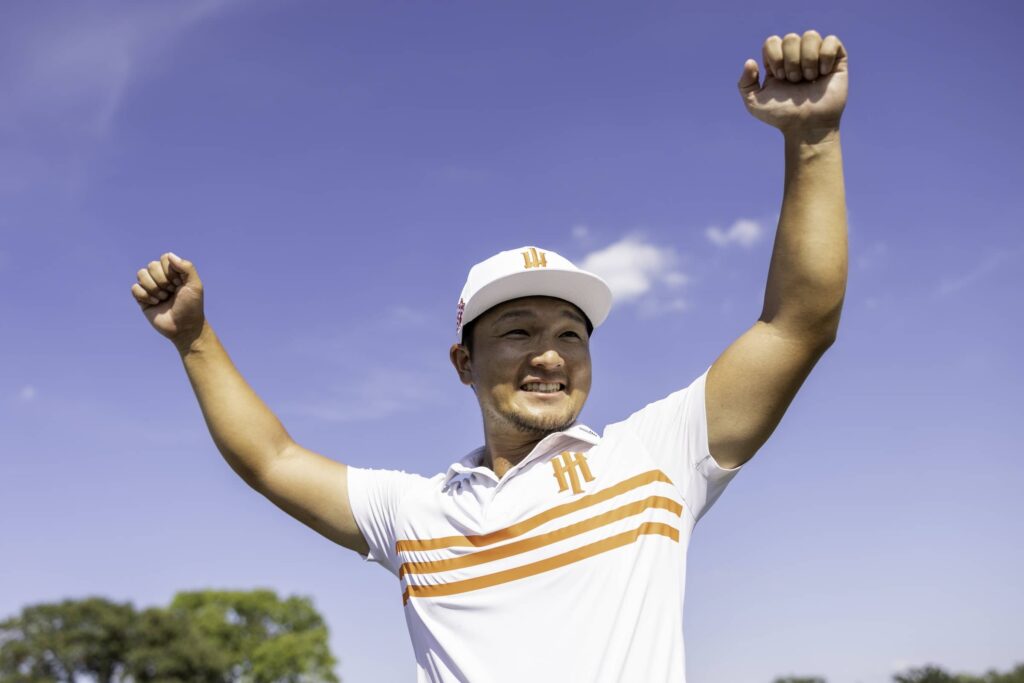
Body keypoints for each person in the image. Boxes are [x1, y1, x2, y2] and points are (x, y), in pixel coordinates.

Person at [131, 30, 848, 682]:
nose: (550, 354)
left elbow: (798, 323)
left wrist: (812, 140)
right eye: (518, 332)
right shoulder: (415, 510)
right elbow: (272, 459)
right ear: (463, 363)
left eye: (571, 333)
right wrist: (194, 338)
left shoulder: (656, 457)